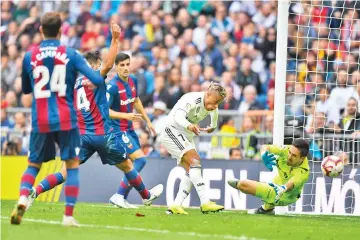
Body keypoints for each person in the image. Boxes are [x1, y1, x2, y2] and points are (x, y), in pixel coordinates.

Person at [27, 24, 163, 218]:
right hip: (102, 135)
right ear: (93, 65)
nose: (100, 66)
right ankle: (146, 195)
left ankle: (36, 191)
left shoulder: (73, 83)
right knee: (128, 166)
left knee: (64, 172)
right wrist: (115, 39)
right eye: (97, 64)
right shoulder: (95, 78)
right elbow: (109, 64)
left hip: (81, 136)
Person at [11, 12, 104, 226]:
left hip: (40, 118)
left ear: (41, 30)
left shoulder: (29, 56)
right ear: (61, 31)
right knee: (71, 166)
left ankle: (24, 198)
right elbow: (97, 79)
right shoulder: (72, 54)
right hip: (66, 119)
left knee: (33, 165)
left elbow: (26, 89)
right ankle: (68, 217)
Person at [160, 82, 226, 214]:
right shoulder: (191, 99)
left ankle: (176, 205)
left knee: (193, 169)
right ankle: (205, 201)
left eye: (218, 103)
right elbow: (178, 116)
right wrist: (189, 126)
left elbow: (214, 113)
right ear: (208, 94)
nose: (215, 106)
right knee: (195, 160)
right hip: (171, 131)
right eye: (214, 101)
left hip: (185, 136)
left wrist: (212, 126)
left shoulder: (212, 105)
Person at [107, 53, 157, 208]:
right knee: (140, 160)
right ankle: (120, 195)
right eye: (121, 65)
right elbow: (105, 111)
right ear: (116, 67)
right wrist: (126, 115)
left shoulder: (133, 80)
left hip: (129, 129)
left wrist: (147, 120)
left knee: (132, 164)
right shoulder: (112, 86)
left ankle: (120, 197)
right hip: (116, 129)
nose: (126, 68)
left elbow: (136, 100)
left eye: (127, 64)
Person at [228, 139, 310, 214]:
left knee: (243, 184)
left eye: (294, 156)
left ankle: (265, 207)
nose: (289, 157)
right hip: (279, 180)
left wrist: (282, 188)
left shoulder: (303, 172)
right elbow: (264, 147)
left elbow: (291, 184)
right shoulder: (286, 150)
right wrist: (263, 154)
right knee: (273, 186)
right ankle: (266, 210)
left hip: (287, 194)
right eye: (289, 152)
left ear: (302, 158)